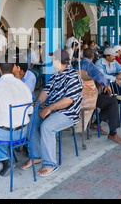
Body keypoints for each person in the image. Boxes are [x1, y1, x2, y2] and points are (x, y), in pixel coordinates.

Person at [21, 49, 83, 177]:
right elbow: (45, 92)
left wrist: (49, 109)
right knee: (30, 120)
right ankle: (36, 155)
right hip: (53, 110)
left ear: (58, 61)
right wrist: (36, 106)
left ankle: (50, 164)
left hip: (68, 113)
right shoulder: (56, 75)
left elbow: (68, 100)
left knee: (47, 127)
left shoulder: (73, 76)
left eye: (53, 59)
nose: (52, 62)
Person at [0, 56, 33, 176]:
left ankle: (3, 160)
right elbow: (30, 111)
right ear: (14, 67)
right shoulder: (24, 86)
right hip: (22, 134)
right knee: (0, 127)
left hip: (3, 135)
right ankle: (2, 160)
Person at [80, 48, 121, 145]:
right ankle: (113, 133)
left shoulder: (78, 64)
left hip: (79, 97)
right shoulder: (91, 65)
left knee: (110, 101)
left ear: (82, 56)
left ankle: (96, 123)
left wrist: (98, 83)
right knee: (112, 102)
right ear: (93, 57)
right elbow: (100, 76)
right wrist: (106, 84)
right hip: (88, 97)